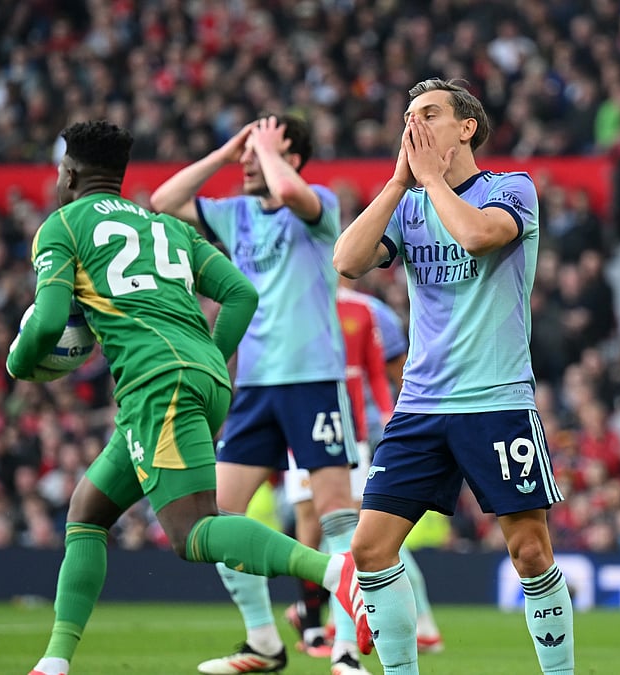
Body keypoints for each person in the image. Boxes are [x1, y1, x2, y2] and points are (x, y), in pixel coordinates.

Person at [11, 119, 364, 675]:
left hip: (166, 384)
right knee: (88, 510)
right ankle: (55, 660)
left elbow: (50, 319)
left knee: (194, 531)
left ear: (69, 173)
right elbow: (240, 292)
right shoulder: (164, 225)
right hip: (202, 380)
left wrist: (20, 363)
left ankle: (331, 574)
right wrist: (210, 358)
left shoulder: (63, 226)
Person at [334, 77, 574, 675]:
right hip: (419, 406)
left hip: (495, 400)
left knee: (529, 550)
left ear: (466, 128)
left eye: (430, 114)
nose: (414, 125)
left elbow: (477, 235)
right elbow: (346, 261)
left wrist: (433, 179)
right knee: (369, 548)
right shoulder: (409, 204)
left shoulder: (509, 188)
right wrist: (397, 183)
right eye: (409, 116)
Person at [150, 115, 368, 675]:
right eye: (246, 154)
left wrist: (268, 153)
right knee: (216, 515)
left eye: (258, 150)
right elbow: (162, 200)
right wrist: (226, 153)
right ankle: (264, 642)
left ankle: (344, 649)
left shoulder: (317, 204)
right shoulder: (237, 212)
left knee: (337, 515)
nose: (248, 161)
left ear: (290, 155)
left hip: (314, 379)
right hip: (253, 387)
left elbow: (292, 190)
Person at [282, 280, 444, 657]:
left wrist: (393, 415)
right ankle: (317, 619)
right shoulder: (298, 305)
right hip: (310, 425)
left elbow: (390, 370)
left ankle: (338, 622)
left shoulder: (370, 313)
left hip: (357, 431)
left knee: (362, 529)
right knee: (322, 526)